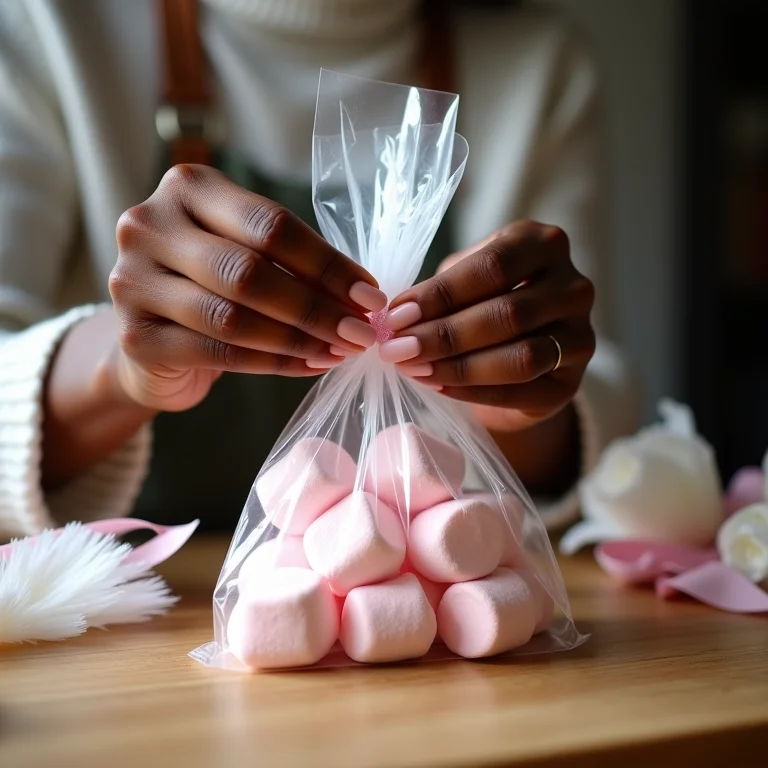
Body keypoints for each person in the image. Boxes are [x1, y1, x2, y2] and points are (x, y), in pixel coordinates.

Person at [0, 0, 636, 541]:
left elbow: (607, 431)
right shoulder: (51, 25)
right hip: (128, 623)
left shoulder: (539, 63)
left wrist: (520, 394)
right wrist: (122, 369)